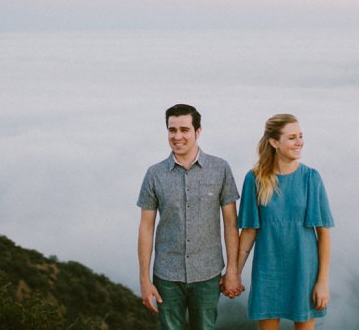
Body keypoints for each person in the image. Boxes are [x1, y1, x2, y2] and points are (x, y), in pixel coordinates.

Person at [137, 103, 243, 330]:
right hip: (166, 274)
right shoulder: (154, 174)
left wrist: (233, 271)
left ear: (198, 131)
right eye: (172, 130)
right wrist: (144, 280)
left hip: (208, 273)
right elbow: (146, 227)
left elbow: (231, 223)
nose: (177, 136)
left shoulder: (220, 168)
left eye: (184, 129)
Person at [236, 113, 334, 329]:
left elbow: (324, 234)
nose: (300, 142)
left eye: (300, 136)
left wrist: (322, 282)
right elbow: (249, 232)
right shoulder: (254, 179)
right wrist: (234, 274)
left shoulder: (311, 178)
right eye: (292, 137)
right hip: (268, 271)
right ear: (274, 142)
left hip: (304, 271)